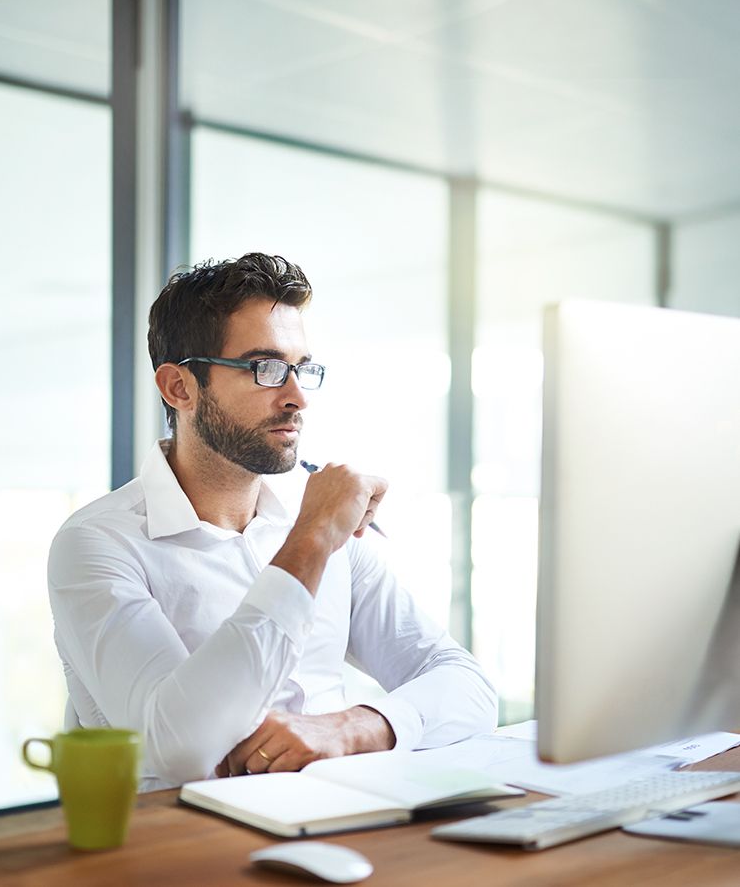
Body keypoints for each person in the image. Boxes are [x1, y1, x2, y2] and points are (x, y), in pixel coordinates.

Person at [48, 253, 497, 791]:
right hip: (185, 855)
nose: (297, 397)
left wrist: (352, 727)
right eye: (264, 368)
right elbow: (178, 747)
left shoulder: (323, 525)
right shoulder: (97, 544)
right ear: (179, 388)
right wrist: (311, 540)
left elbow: (467, 686)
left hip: (345, 822)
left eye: (301, 368)